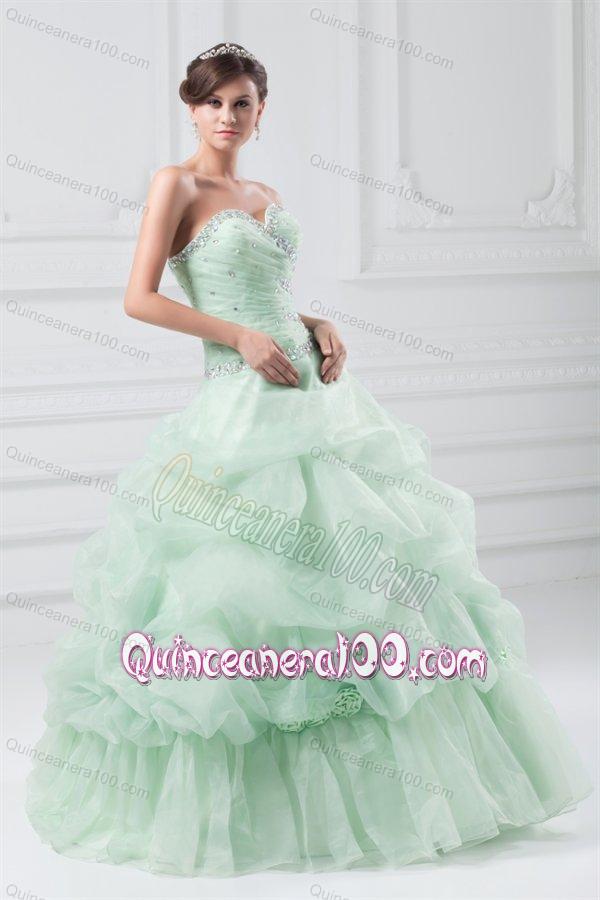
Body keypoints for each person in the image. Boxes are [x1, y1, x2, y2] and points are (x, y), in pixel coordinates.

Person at [26, 42, 592, 878]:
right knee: (238, 587)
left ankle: (392, 795)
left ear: (262, 112)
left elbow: (271, 297)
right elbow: (140, 297)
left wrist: (315, 323)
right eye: (214, 102)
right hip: (239, 405)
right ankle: (249, 803)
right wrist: (239, 338)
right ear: (191, 109)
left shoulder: (267, 196)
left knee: (366, 577)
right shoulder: (175, 185)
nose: (228, 116)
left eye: (242, 103)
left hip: (313, 396)